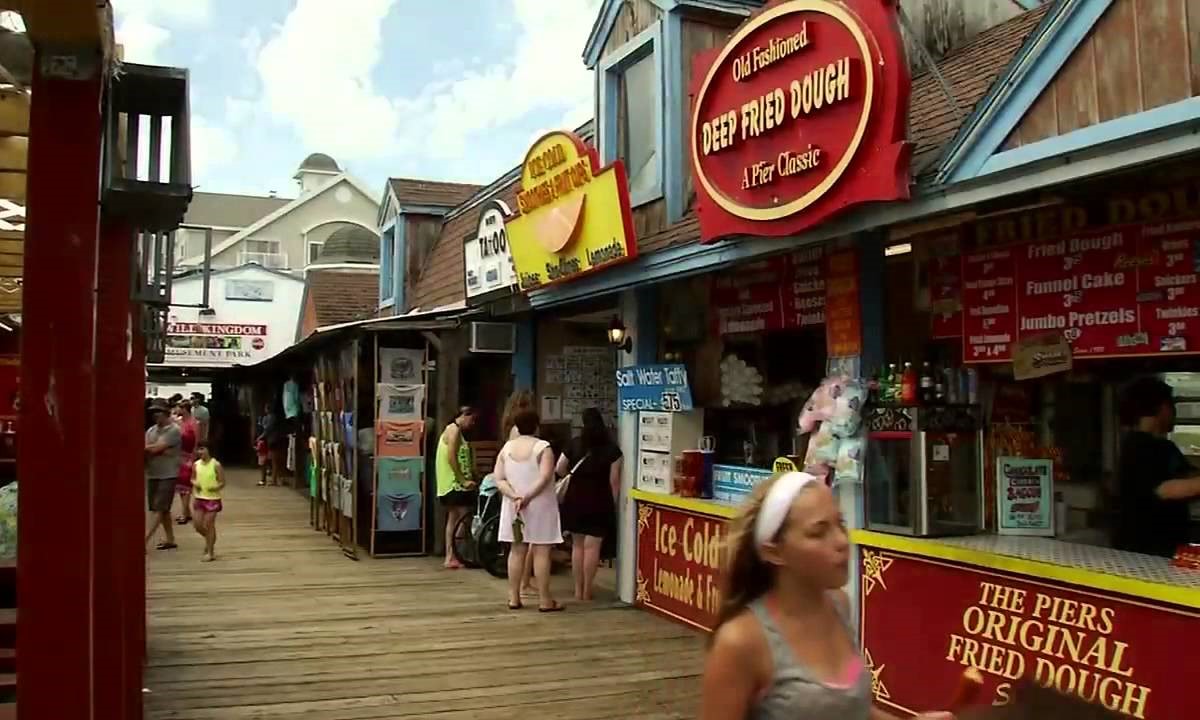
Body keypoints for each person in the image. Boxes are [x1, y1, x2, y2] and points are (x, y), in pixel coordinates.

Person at [700, 471, 952, 720]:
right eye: (818, 532)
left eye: (840, 524)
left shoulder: (839, 605)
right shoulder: (740, 641)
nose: (842, 541)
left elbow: (850, 710)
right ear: (774, 552)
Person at [1114, 377, 1200, 557]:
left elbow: (1188, 476)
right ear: (1162, 408)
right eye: (1172, 405)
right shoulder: (1138, 447)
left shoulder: (1165, 447)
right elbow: (1165, 489)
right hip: (1144, 552)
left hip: (1170, 547)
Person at [495, 409, 563, 612]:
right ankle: (545, 600)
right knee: (542, 551)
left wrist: (515, 496)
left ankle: (514, 597)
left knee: (516, 551)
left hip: (514, 506)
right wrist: (528, 497)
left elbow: (498, 478)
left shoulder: (506, 448)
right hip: (540, 505)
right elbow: (544, 477)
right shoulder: (543, 448)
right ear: (536, 426)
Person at [557, 407, 622, 601]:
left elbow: (559, 468)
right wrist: (614, 505)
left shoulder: (575, 444)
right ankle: (587, 590)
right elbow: (615, 481)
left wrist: (572, 476)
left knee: (577, 546)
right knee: (592, 548)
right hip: (599, 500)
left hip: (575, 498)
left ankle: (577, 590)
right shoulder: (613, 450)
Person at [500, 389, 538, 596]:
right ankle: (524, 582)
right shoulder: (522, 432)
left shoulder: (509, 428)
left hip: (512, 489)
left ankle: (517, 589)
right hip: (526, 491)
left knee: (517, 543)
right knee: (527, 542)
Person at [436, 406, 478, 569]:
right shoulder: (453, 430)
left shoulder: (457, 432)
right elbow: (451, 455)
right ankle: (454, 552)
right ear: (464, 416)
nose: (472, 424)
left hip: (453, 483)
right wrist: (462, 479)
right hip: (454, 483)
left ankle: (451, 555)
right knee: (462, 516)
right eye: (472, 419)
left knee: (454, 517)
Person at [145, 401, 181, 550]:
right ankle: (170, 539)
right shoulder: (151, 430)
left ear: (166, 413)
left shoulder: (174, 430)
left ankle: (144, 540)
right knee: (161, 509)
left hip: (168, 473)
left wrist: (154, 448)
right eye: (153, 412)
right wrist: (155, 448)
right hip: (153, 473)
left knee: (159, 508)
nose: (155, 415)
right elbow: (148, 449)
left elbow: (154, 449)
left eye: (158, 412)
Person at [190, 440, 225, 562]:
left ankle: (210, 552)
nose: (200, 452)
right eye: (199, 449)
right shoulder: (196, 464)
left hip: (212, 499)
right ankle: (209, 539)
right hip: (199, 497)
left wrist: (216, 487)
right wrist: (195, 484)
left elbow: (222, 482)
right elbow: (192, 478)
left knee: (209, 523)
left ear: (209, 450)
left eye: (203, 449)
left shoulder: (216, 465)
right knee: (198, 525)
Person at [173, 401, 198, 525]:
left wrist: (193, 458)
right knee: (181, 486)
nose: (177, 410)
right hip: (178, 455)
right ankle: (186, 512)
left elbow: (197, 442)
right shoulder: (178, 422)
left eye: (179, 408)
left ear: (185, 409)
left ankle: (185, 513)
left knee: (186, 486)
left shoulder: (194, 423)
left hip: (188, 456)